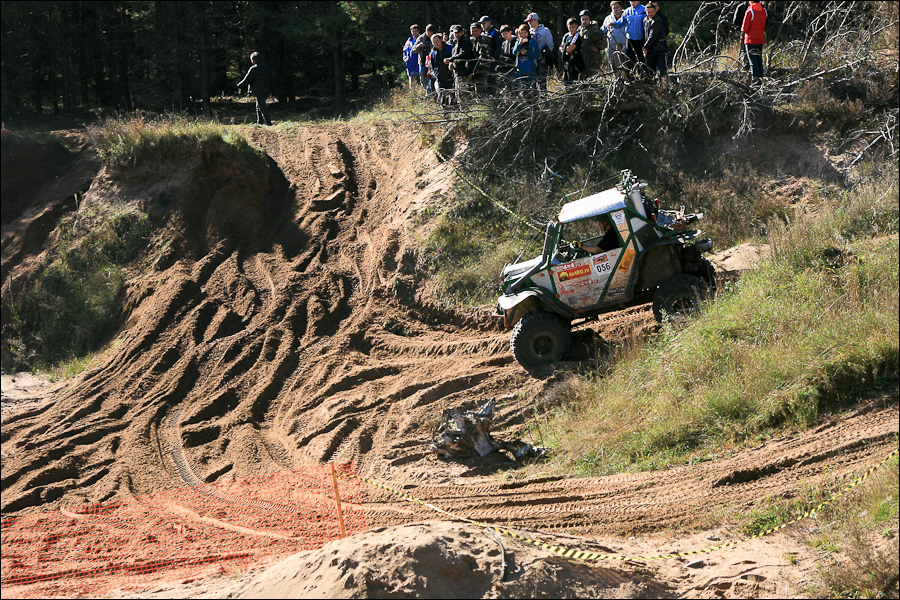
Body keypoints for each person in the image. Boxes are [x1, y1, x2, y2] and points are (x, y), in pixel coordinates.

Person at [237, 52, 273, 126]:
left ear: (253, 60)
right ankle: (260, 123)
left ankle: (268, 122)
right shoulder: (266, 68)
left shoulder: (254, 68)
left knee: (262, 106)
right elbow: (271, 80)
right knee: (259, 105)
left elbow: (247, 79)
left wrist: (239, 85)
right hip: (267, 90)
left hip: (258, 90)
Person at [614, 0, 646, 77]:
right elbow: (621, 22)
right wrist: (613, 23)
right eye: (631, 1)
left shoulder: (644, 9)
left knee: (641, 59)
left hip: (641, 39)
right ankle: (630, 77)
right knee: (630, 60)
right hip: (630, 39)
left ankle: (643, 77)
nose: (632, 2)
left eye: (634, 1)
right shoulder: (627, 11)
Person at [526, 12, 554, 95]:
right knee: (532, 81)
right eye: (528, 22)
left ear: (536, 20)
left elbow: (550, 45)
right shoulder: (529, 31)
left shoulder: (545, 31)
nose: (529, 23)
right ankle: (534, 98)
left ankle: (543, 98)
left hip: (542, 60)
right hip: (532, 60)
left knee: (542, 81)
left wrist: (545, 58)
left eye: (531, 21)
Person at [642, 2, 669, 82]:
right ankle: (651, 86)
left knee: (662, 69)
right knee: (650, 70)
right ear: (645, 11)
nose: (650, 14)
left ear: (655, 11)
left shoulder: (657, 21)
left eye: (652, 12)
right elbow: (645, 35)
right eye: (648, 12)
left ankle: (665, 85)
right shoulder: (645, 20)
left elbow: (653, 36)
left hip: (659, 49)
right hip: (650, 50)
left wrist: (645, 47)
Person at [448, 25, 474, 105]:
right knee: (458, 92)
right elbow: (455, 53)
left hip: (464, 71)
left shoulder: (465, 41)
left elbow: (464, 54)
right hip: (458, 71)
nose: (456, 34)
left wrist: (451, 59)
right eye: (455, 33)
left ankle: (466, 109)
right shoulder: (456, 41)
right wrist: (452, 62)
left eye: (458, 33)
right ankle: (462, 108)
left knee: (463, 93)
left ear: (462, 32)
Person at [741, 1, 768, 79]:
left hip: (750, 40)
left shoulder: (750, 11)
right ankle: (760, 80)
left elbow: (744, 28)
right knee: (759, 61)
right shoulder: (764, 11)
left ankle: (755, 81)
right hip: (760, 40)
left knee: (753, 62)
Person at [513, 24, 540, 99]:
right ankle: (527, 102)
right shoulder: (518, 42)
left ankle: (535, 102)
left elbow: (536, 55)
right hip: (521, 68)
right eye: (521, 33)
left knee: (532, 86)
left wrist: (527, 53)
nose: (523, 35)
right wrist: (519, 45)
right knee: (524, 87)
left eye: (525, 32)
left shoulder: (532, 41)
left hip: (530, 67)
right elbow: (514, 53)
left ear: (528, 32)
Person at [602, 2, 629, 77]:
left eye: (617, 7)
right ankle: (617, 79)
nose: (615, 9)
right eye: (614, 8)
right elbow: (603, 31)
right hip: (612, 45)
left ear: (621, 7)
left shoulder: (627, 17)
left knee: (626, 64)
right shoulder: (608, 18)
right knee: (614, 64)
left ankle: (627, 79)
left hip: (624, 44)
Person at [429, 33, 455, 109]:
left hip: (451, 76)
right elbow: (433, 65)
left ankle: (455, 111)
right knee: (442, 97)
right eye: (434, 42)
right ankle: (445, 112)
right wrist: (436, 74)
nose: (435, 44)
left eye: (437, 41)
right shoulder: (433, 52)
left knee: (453, 96)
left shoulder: (450, 48)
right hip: (440, 77)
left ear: (441, 40)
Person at [577, 10, 604, 78]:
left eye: (586, 19)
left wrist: (598, 48)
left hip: (593, 59)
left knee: (593, 78)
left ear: (590, 19)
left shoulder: (595, 30)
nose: (584, 21)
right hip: (582, 58)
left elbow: (604, 40)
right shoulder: (579, 29)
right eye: (582, 19)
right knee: (583, 78)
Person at [559, 18, 585, 88]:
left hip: (575, 63)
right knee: (566, 81)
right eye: (569, 27)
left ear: (576, 26)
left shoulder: (577, 36)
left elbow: (569, 49)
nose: (571, 29)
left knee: (574, 81)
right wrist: (565, 49)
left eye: (573, 27)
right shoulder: (566, 35)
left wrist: (565, 49)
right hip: (567, 62)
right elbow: (561, 47)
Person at [469, 22, 492, 96]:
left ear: (480, 31)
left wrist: (475, 68)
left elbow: (484, 56)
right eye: (472, 31)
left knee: (482, 88)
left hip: (483, 68)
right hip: (478, 68)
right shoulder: (474, 40)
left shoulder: (482, 39)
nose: (474, 33)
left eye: (476, 31)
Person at [412, 24, 436, 96]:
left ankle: (430, 93)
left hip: (432, 62)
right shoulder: (421, 38)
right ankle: (425, 91)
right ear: (425, 31)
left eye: (431, 33)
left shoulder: (435, 38)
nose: (429, 34)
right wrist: (418, 46)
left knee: (431, 78)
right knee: (422, 78)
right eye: (428, 32)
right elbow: (413, 49)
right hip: (422, 62)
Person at [498, 25, 518, 92]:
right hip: (507, 67)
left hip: (515, 66)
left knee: (514, 84)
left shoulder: (516, 41)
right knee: (508, 85)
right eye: (503, 34)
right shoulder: (504, 44)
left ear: (510, 32)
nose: (505, 36)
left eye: (506, 33)